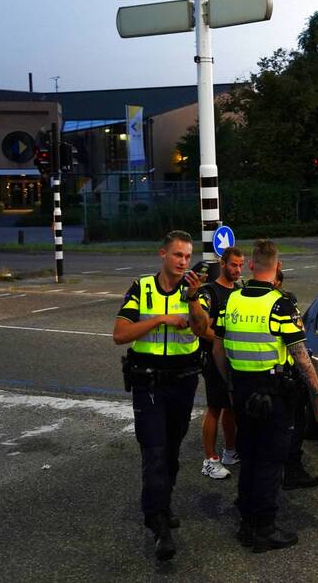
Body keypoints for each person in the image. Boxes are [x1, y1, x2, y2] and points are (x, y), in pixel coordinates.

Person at [211, 240, 318, 553]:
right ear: (277, 267)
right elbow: (301, 355)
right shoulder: (280, 305)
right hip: (272, 395)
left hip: (241, 390)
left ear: (251, 265)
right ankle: (264, 528)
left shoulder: (232, 300)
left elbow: (218, 350)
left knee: (248, 455)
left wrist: (231, 383)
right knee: (269, 462)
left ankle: (246, 523)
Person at [112, 230, 210, 561]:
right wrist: (161, 319)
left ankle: (162, 506)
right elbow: (120, 334)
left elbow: (201, 329)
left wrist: (194, 299)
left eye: (187, 255)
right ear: (163, 255)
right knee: (153, 451)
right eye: (177, 255)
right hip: (149, 383)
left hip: (183, 383)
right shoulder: (141, 288)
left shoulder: (195, 288)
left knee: (170, 452)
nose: (183, 261)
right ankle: (158, 526)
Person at [198, 246, 245, 480]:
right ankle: (210, 459)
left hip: (232, 359)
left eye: (241, 265)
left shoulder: (238, 292)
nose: (238, 269)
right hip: (213, 359)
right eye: (233, 265)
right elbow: (201, 328)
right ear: (223, 264)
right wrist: (221, 339)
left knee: (231, 406)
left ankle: (229, 452)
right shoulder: (209, 292)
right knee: (215, 408)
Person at [273, 268, 318, 489]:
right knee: (285, 430)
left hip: (278, 379)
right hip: (277, 381)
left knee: (293, 428)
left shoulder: (285, 301)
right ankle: (286, 472)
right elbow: (298, 350)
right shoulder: (282, 305)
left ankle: (288, 470)